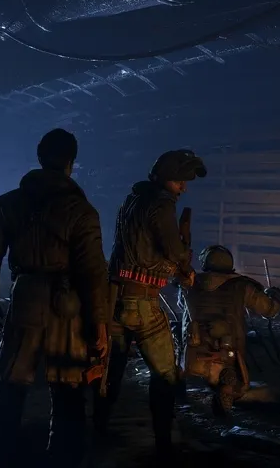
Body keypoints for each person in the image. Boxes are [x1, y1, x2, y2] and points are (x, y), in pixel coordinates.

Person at [0, 128, 109, 467]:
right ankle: (64, 455)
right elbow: (93, 271)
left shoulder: (8, 203)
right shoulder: (82, 211)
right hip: (68, 306)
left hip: (25, 297)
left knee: (12, 380)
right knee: (68, 386)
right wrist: (100, 322)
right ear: (71, 163)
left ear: (39, 158)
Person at [94, 149, 206, 460]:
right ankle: (164, 446)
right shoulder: (161, 204)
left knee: (111, 374)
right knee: (166, 374)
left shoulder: (132, 199)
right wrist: (184, 260)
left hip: (116, 298)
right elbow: (172, 249)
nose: (184, 188)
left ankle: (97, 433)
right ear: (168, 179)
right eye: (181, 181)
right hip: (141, 302)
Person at [178, 245, 280, 416]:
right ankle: (226, 391)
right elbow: (269, 309)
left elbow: (181, 304)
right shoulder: (241, 285)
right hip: (229, 351)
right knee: (236, 378)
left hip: (194, 348)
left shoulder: (190, 282)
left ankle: (177, 385)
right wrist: (275, 296)